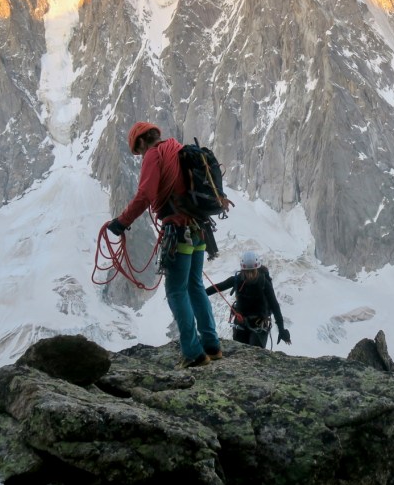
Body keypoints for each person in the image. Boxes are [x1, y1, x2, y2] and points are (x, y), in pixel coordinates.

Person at [107, 122, 224, 368]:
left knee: (176, 291)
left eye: (137, 150)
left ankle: (193, 353)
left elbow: (145, 195)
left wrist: (122, 222)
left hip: (179, 231)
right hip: (199, 230)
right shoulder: (176, 148)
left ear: (141, 141)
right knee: (195, 286)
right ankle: (212, 346)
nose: (140, 155)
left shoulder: (154, 154)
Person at [206, 251, 291, 349]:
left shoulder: (263, 283)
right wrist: (199, 292)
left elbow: (274, 306)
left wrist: (281, 329)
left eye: (252, 271)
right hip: (243, 323)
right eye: (247, 272)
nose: (250, 275)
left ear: (257, 269)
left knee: (252, 351)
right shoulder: (238, 280)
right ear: (243, 270)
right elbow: (217, 287)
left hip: (257, 324)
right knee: (241, 351)